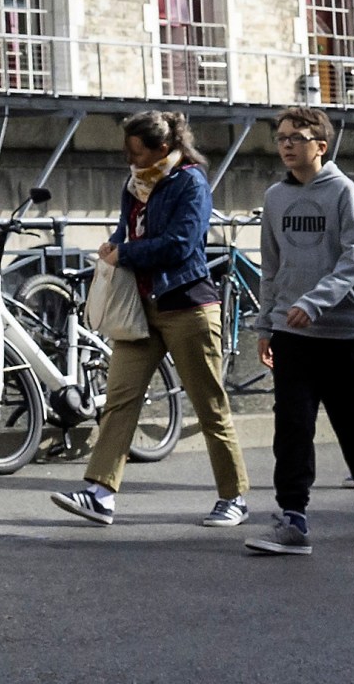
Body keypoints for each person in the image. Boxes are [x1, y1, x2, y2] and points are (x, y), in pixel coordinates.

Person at [50, 110, 250, 528]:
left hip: (187, 306)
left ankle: (234, 497)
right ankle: (100, 494)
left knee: (209, 405)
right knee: (120, 400)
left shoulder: (190, 182)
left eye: (135, 152)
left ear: (163, 148)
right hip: (140, 308)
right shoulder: (134, 184)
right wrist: (114, 245)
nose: (129, 160)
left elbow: (180, 244)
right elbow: (130, 231)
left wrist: (127, 253)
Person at [243, 106, 354, 555]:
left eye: (296, 137)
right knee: (291, 425)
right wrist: (267, 322)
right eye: (281, 138)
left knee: (352, 422)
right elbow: (271, 265)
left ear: (320, 146)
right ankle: (293, 517)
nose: (286, 144)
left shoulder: (344, 192)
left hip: (341, 330)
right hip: (292, 332)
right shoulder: (275, 197)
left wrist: (315, 302)